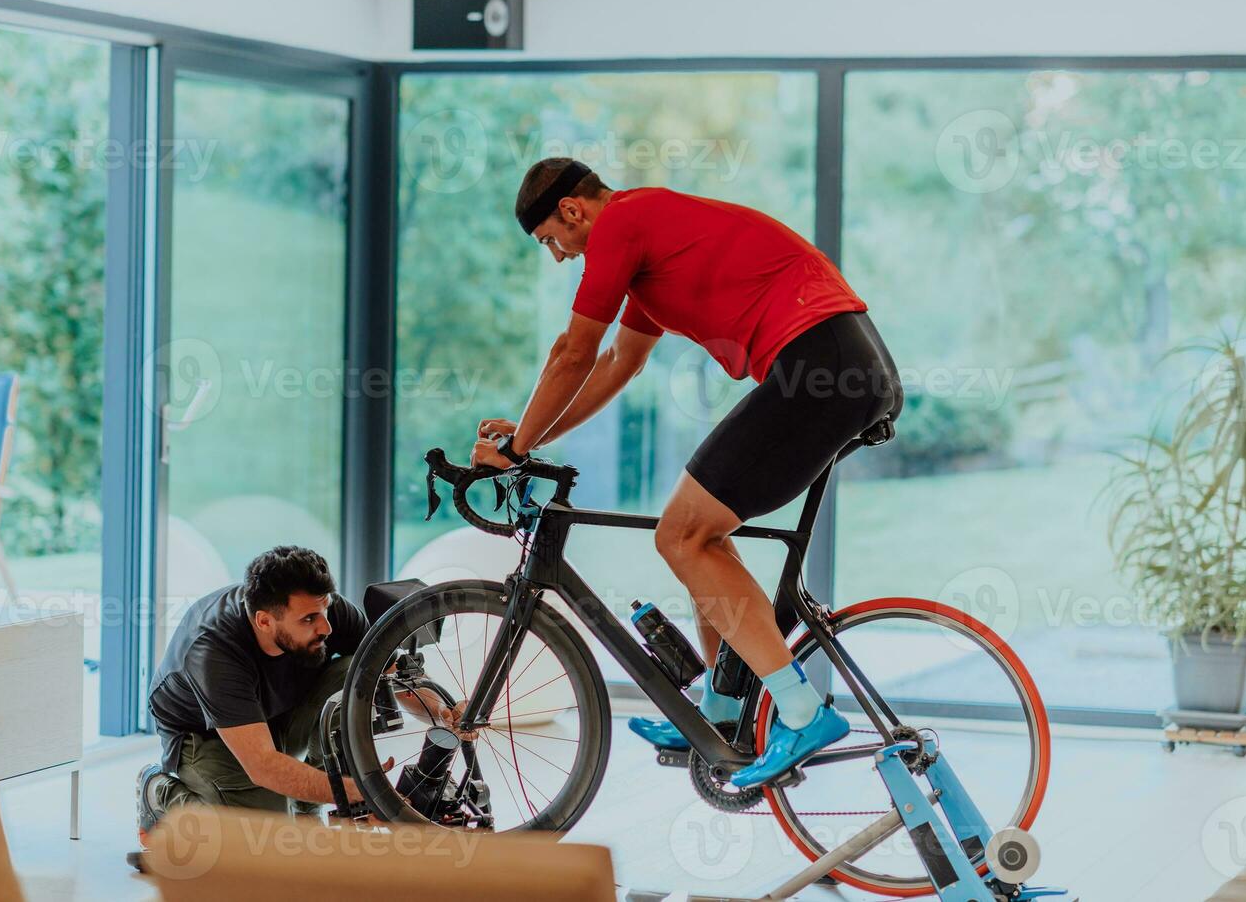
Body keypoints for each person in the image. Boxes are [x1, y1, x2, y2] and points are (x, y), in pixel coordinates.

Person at [470, 159, 902, 789]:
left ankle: (802, 710)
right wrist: (529, 439)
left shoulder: (621, 222)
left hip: (822, 362)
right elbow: (619, 363)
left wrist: (516, 451)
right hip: (835, 360)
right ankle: (723, 711)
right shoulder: (647, 249)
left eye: (551, 242)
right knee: (700, 533)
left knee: (682, 535)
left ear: (572, 210)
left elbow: (573, 351)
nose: (559, 257)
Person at [134, 545, 465, 846]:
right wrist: (354, 792)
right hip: (208, 736)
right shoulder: (212, 652)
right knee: (255, 842)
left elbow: (394, 674)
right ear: (264, 621)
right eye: (309, 619)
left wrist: (445, 714)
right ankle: (158, 791)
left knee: (359, 669)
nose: (326, 628)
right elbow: (262, 765)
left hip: (278, 713)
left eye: (325, 609)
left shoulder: (329, 614)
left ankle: (307, 810)